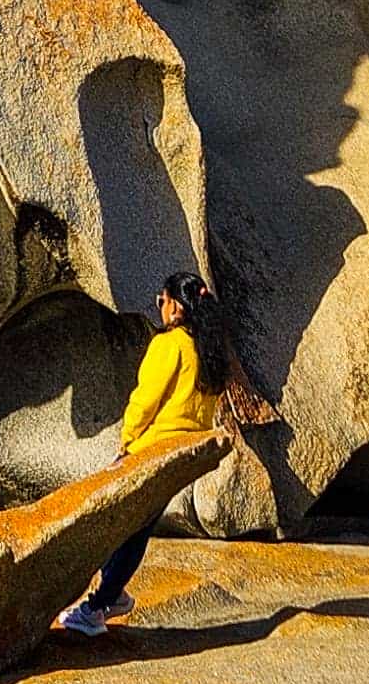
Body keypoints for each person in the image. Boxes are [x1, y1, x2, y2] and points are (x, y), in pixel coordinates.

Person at [54, 269, 238, 635]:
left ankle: (98, 605)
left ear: (176, 305)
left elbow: (145, 400)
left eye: (162, 300)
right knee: (138, 525)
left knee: (122, 526)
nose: (160, 306)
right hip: (184, 451)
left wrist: (127, 439)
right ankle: (112, 595)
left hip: (152, 448)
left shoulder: (170, 344)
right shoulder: (208, 349)